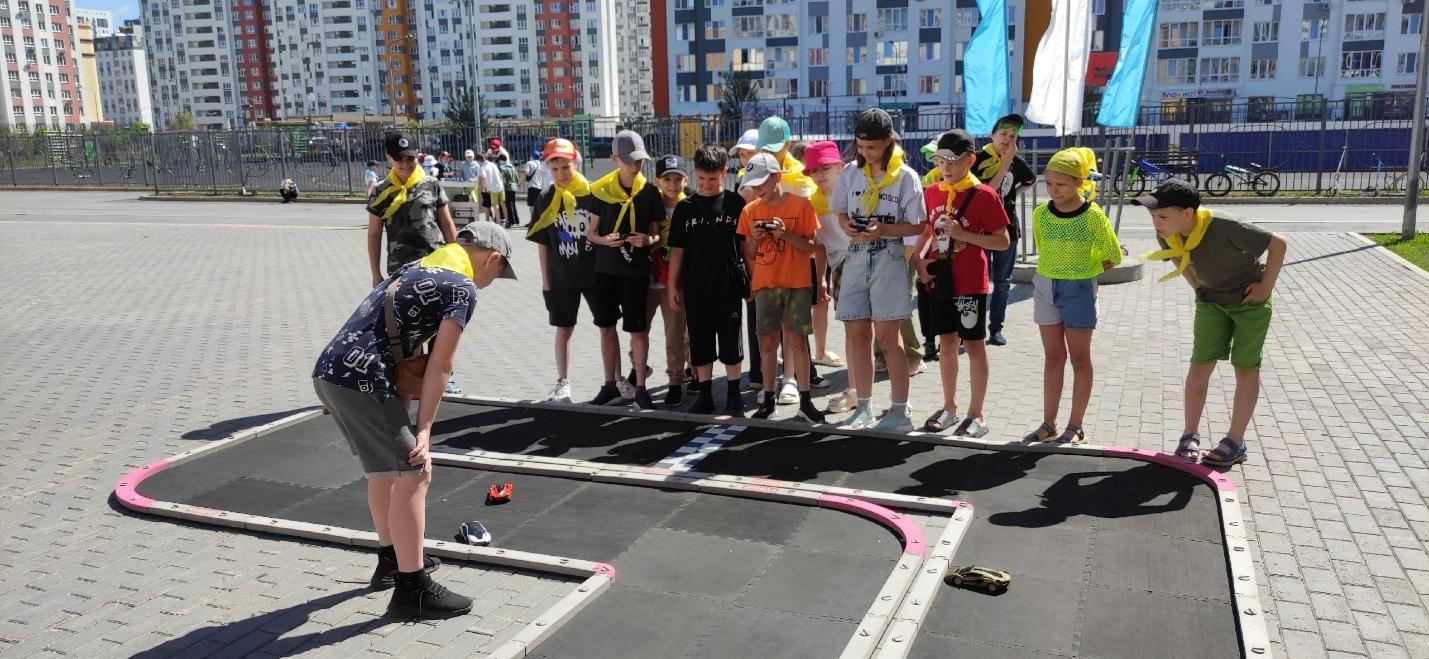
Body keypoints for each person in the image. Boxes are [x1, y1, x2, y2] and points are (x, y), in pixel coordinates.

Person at [311, 222, 515, 620]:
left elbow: (404, 347)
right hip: (363, 380)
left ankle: (392, 560)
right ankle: (412, 587)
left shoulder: (415, 268)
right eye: (498, 272)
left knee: (384, 472)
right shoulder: (462, 286)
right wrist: (423, 431)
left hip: (332, 372)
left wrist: (406, 420)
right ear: (492, 258)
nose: (493, 281)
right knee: (414, 472)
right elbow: (440, 364)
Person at [1135, 180, 1285, 467]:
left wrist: (1266, 287)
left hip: (1248, 303)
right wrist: (1197, 287)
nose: (1156, 223)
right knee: (1200, 365)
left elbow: (1278, 243)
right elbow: (1178, 259)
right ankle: (1189, 435)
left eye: (1162, 216)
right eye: (1153, 217)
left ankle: (1235, 441)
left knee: (1245, 368)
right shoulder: (1168, 233)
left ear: (1188, 213)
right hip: (1211, 303)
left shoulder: (1224, 225)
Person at [831, 108, 927, 431]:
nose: (864, 152)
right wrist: (850, 228)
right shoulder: (849, 173)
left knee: (888, 339)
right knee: (858, 333)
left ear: (888, 142)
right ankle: (864, 407)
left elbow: (918, 224)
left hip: (889, 257)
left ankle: (900, 411)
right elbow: (841, 214)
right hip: (856, 255)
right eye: (860, 145)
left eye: (871, 147)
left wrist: (883, 231)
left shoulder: (906, 177)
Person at [1023, 147, 1123, 445]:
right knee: (1053, 358)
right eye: (1049, 184)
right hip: (1045, 286)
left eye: (1061, 184)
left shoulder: (1092, 215)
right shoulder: (1041, 213)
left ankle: (1075, 425)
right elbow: (1044, 247)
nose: (1054, 190)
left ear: (1080, 183)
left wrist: (1087, 270)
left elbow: (1113, 254)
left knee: (1080, 359)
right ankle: (1048, 423)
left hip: (1078, 288)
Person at [914, 130, 1010, 437]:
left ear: (970, 160)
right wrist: (919, 262)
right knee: (946, 346)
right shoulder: (931, 192)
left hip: (971, 282)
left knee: (974, 345)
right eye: (941, 160)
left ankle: (977, 414)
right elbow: (928, 232)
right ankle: (949, 407)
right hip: (943, 282)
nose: (946, 167)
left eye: (953, 161)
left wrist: (963, 235)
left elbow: (1003, 242)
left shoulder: (984, 195)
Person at [366, 132, 464, 395]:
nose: (407, 166)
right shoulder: (381, 191)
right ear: (389, 159)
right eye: (400, 162)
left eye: (410, 160)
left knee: (441, 324)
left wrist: (458, 260)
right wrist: (375, 273)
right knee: (408, 329)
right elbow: (375, 233)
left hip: (435, 265)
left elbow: (446, 224)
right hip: (401, 270)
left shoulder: (431, 184)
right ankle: (414, 379)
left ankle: (445, 377)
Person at [736, 152, 825, 423]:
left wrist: (785, 233)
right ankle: (768, 398)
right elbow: (748, 254)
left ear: (776, 177)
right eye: (752, 184)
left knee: (797, 340)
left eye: (761, 183)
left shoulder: (801, 206)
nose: (756, 189)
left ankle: (806, 400)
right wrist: (754, 237)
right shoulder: (750, 211)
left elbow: (814, 247)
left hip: (797, 284)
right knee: (767, 342)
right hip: (765, 285)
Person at [668, 143, 749, 416]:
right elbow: (677, 251)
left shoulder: (736, 204)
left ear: (724, 172)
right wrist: (672, 286)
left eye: (712, 179)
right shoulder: (685, 208)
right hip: (696, 288)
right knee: (700, 343)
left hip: (727, 288)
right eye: (701, 178)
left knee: (731, 342)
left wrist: (752, 279)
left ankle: (734, 393)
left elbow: (746, 246)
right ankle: (704, 394)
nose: (706, 184)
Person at [585, 130, 661, 409]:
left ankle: (641, 387)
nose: (635, 166)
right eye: (629, 160)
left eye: (639, 160)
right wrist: (604, 240)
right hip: (605, 270)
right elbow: (591, 233)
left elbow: (657, 235)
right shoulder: (601, 190)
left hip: (636, 272)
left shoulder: (649, 192)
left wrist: (647, 241)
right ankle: (610, 383)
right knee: (606, 328)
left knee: (638, 331)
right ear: (614, 159)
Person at [526, 138, 598, 403]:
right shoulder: (546, 197)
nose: (561, 174)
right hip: (561, 275)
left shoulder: (592, 192)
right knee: (564, 328)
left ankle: (613, 381)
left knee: (607, 326)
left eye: (565, 167)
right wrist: (546, 280)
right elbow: (543, 243)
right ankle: (563, 382)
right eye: (554, 169)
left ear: (575, 162)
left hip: (592, 273)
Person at [802, 140, 858, 415]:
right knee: (852, 330)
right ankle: (856, 389)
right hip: (840, 268)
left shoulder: (854, 191)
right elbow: (820, 244)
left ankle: (872, 393)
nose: (820, 174)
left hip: (867, 259)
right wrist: (820, 278)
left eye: (825, 167)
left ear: (840, 167)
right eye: (813, 170)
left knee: (880, 333)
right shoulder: (812, 203)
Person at [973, 113, 1038, 347]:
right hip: (980, 232)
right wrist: (1004, 164)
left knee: (1002, 282)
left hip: (1008, 228)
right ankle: (973, 328)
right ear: (992, 134)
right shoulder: (977, 159)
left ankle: (996, 328)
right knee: (977, 282)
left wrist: (1011, 195)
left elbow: (1031, 180)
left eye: (1012, 136)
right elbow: (984, 194)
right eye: (1003, 134)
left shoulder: (1017, 161)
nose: (1007, 140)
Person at [642, 154, 693, 406]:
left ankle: (675, 380)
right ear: (657, 181)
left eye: (677, 179)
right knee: (640, 331)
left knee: (676, 333)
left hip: (678, 281)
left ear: (686, 180)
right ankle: (638, 372)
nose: (673, 184)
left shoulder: (691, 206)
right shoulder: (649, 206)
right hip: (649, 277)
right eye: (667, 179)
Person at [475, 152, 505, 226]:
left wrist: (481, 188)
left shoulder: (481, 167)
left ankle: (487, 220)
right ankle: (500, 221)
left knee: (487, 205)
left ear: (477, 160)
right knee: (498, 205)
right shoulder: (492, 165)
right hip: (498, 187)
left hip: (488, 188)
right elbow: (500, 175)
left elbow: (482, 178)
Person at [522, 150, 548, 215]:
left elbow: (526, 173)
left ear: (532, 156)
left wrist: (520, 182)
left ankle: (532, 221)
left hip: (532, 186)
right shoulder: (541, 164)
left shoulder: (529, 163)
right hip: (541, 187)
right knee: (539, 205)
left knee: (532, 206)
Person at [499, 154, 521, 227]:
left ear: (502, 160)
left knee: (509, 205)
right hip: (514, 187)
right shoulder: (512, 167)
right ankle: (517, 220)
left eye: (500, 161)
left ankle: (512, 222)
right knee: (513, 204)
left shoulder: (503, 168)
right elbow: (517, 177)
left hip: (507, 187)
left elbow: (502, 179)